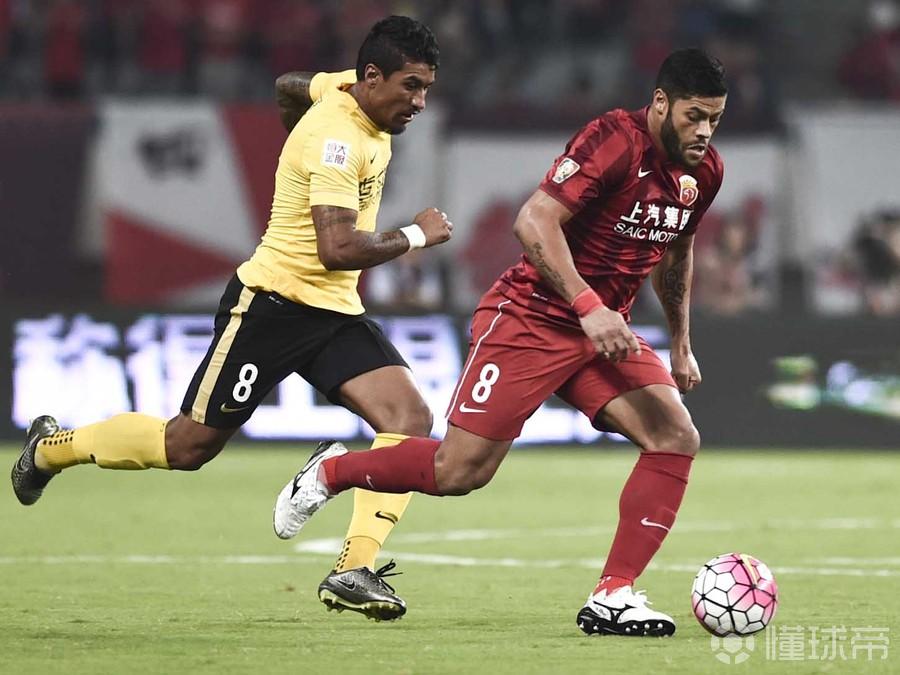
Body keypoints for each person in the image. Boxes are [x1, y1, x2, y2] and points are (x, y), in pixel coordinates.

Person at [274, 48, 727, 637]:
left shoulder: (705, 173)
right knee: (458, 472)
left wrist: (681, 342)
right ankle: (333, 471)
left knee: (675, 436)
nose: (704, 131)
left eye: (715, 119)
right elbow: (533, 221)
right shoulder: (614, 140)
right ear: (661, 103)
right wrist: (588, 307)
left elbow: (677, 251)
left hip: (602, 331)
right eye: (695, 116)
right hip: (531, 319)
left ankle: (613, 595)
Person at [12, 15, 450, 622]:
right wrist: (416, 234)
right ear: (373, 77)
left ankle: (354, 567)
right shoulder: (337, 139)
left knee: (409, 419)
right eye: (411, 86)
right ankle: (50, 450)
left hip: (334, 312)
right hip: (272, 306)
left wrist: (292, 149)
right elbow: (337, 249)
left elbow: (289, 85)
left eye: (426, 87)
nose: (420, 102)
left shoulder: (343, 87)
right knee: (187, 445)